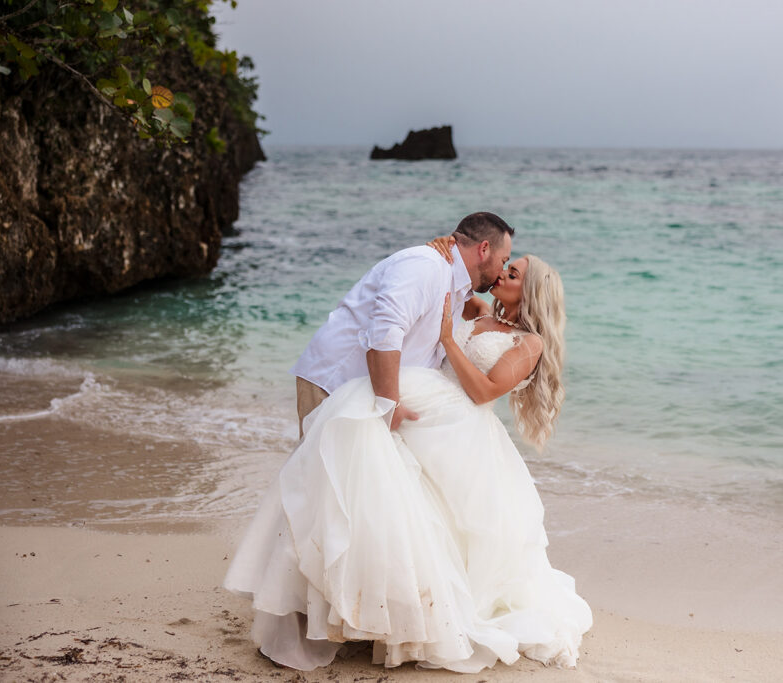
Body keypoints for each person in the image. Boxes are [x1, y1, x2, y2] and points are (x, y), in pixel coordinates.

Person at [223, 227, 592, 673]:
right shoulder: (478, 307)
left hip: (458, 421)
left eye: (512, 273)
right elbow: (457, 281)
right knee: (382, 500)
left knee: (422, 518)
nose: (502, 275)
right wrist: (445, 245)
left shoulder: (528, 344)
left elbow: (484, 392)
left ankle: (396, 614)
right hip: (429, 400)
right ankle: (349, 608)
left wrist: (449, 340)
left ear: (528, 291)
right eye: (506, 265)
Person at [289, 211, 514, 438]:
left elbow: (478, 314)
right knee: (323, 470)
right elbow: (384, 331)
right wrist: (390, 404)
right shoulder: (426, 266)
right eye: (504, 260)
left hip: (369, 394)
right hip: (338, 384)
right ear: (484, 249)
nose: (502, 271)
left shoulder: (459, 285)